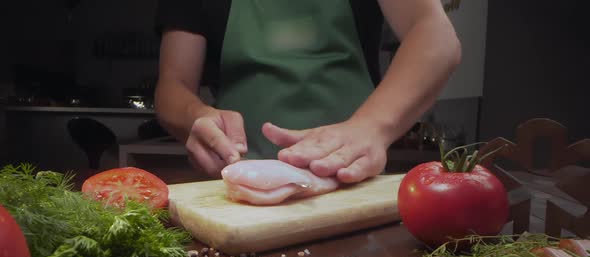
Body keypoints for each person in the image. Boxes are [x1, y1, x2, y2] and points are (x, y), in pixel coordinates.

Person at [153, 0, 461, 184]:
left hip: (353, 176)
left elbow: (435, 35)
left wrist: (372, 127)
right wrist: (196, 117)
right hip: (237, 180)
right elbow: (172, 85)